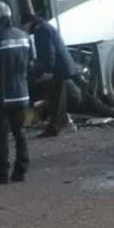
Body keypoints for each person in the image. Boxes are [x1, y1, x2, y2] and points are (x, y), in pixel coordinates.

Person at [0, 2, 33, 185]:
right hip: (22, 93)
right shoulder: (23, 35)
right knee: (20, 132)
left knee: (1, 135)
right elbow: (31, 62)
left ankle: (1, 173)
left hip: (2, 95)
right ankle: (21, 171)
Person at [21, 8, 77, 137]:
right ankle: (59, 123)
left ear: (28, 23)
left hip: (57, 70)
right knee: (60, 98)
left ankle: (54, 127)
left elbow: (48, 53)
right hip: (61, 67)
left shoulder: (41, 30)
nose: (26, 30)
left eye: (25, 27)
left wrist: (47, 71)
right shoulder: (44, 27)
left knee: (56, 99)